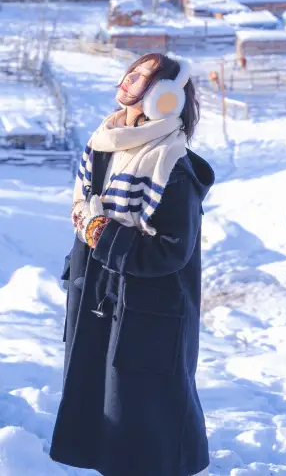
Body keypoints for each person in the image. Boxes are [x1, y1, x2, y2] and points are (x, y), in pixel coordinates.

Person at [50, 53, 214, 476]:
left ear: (164, 97)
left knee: (143, 428)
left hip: (145, 311)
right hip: (100, 299)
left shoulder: (171, 168)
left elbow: (169, 252)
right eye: (132, 70)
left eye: (143, 77)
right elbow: (86, 216)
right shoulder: (105, 146)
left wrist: (99, 231)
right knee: (103, 420)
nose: (128, 79)